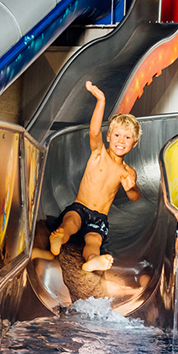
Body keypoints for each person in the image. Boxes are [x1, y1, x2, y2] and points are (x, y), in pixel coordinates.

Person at [49, 81, 141, 271]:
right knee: (70, 223)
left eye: (127, 137)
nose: (121, 141)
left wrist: (132, 188)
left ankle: (92, 261)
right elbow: (94, 130)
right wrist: (101, 101)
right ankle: (59, 238)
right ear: (108, 137)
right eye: (117, 135)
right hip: (80, 208)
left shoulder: (128, 172)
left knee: (94, 241)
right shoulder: (98, 153)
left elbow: (134, 197)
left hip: (99, 218)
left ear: (135, 143)